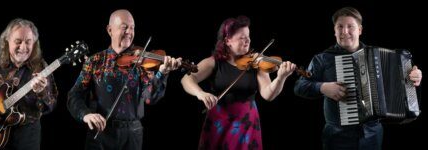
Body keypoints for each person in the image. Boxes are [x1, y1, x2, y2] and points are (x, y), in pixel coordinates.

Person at [294, 7, 423, 150]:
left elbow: (403, 82)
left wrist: (413, 78)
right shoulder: (322, 59)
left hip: (372, 134)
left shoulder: (377, 57)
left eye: (350, 26)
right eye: (340, 27)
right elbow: (299, 86)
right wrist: (322, 87)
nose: (345, 32)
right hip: (337, 136)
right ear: (334, 31)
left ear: (360, 30)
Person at [67, 9, 182, 150]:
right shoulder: (95, 61)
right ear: (110, 30)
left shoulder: (142, 63)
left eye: (132, 27)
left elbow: (150, 98)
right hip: (100, 133)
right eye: (124, 27)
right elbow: (74, 95)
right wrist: (86, 115)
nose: (129, 31)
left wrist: (162, 73)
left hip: (132, 135)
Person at [181, 15, 296, 150]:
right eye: (242, 37)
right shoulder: (214, 62)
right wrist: (200, 93)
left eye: (248, 36)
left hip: (247, 123)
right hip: (219, 123)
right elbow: (187, 79)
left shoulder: (256, 62)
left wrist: (281, 78)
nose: (248, 41)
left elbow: (267, 94)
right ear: (228, 40)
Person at [0, 18, 58, 150]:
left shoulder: (41, 67)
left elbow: (51, 105)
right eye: (18, 41)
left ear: (34, 44)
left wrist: (41, 92)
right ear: (7, 41)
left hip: (27, 137)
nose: (23, 47)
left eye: (28, 42)